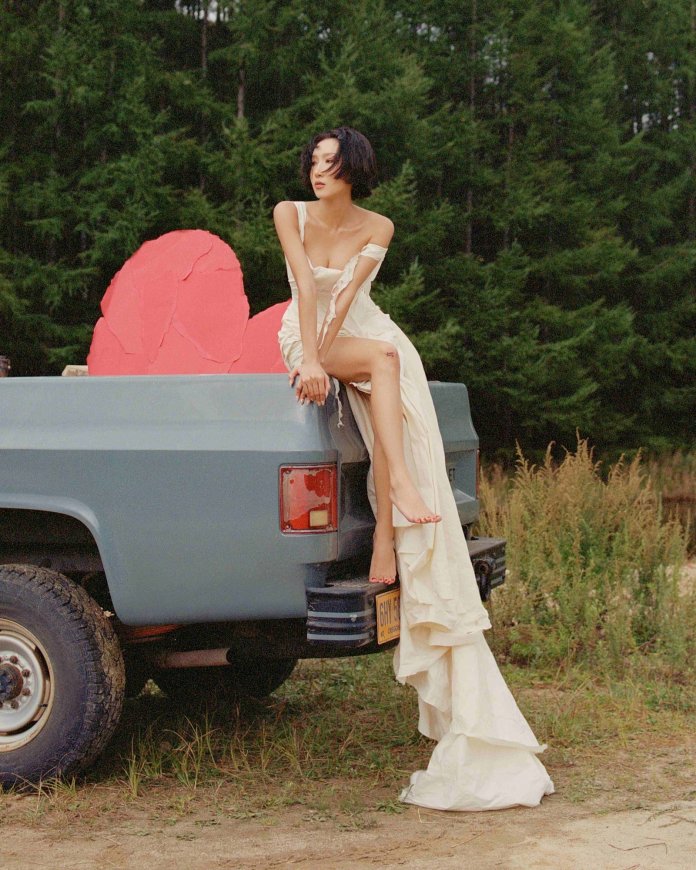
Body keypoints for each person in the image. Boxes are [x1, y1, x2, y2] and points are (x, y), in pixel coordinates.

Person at [274, 126, 554, 811]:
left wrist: (339, 349)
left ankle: (392, 522)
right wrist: (310, 360)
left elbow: (347, 300)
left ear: (355, 170)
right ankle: (395, 505)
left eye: (330, 162)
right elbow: (310, 296)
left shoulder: (380, 225)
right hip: (306, 334)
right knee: (382, 363)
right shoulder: (291, 215)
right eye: (313, 160)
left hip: (363, 330)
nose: (317, 171)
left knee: (392, 361)